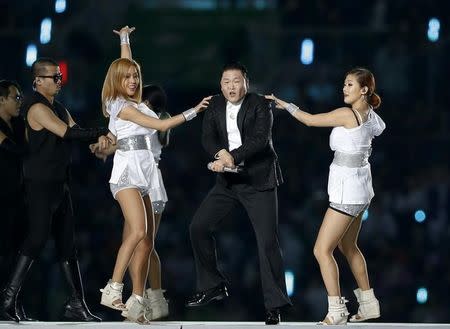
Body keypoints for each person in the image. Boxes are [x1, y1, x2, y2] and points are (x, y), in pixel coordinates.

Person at [98, 26, 211, 323]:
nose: (134, 81)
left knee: (145, 240)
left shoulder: (135, 106)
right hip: (127, 175)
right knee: (137, 233)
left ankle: (138, 300)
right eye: (128, 78)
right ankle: (113, 288)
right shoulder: (121, 106)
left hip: (145, 177)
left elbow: (126, 66)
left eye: (136, 77)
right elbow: (161, 127)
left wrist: (125, 40)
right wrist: (194, 111)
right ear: (117, 82)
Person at [266, 67, 385, 325]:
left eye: (350, 84)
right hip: (361, 190)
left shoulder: (347, 114)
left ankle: (337, 309)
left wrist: (285, 105)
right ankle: (369, 304)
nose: (344, 88)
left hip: (348, 191)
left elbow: (310, 120)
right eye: (344, 84)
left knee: (321, 250)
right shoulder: (371, 116)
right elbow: (378, 129)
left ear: (364, 89)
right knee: (348, 247)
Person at [0, 58, 106, 322]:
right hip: (39, 185)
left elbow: (78, 130)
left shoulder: (58, 107)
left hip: (60, 185)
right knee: (36, 240)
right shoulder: (35, 107)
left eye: (59, 77)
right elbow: (67, 134)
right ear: (37, 81)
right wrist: (104, 132)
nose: (59, 81)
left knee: (68, 245)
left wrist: (98, 141)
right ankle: (7, 298)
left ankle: (76, 304)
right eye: (53, 77)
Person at [186, 62, 292, 325]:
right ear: (220, 85)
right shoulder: (214, 105)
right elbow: (208, 138)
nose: (231, 86)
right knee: (198, 227)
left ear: (246, 81)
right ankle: (212, 286)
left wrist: (231, 156)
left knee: (267, 242)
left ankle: (274, 306)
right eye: (226, 82)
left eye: (236, 81)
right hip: (228, 182)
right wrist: (219, 154)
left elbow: (260, 140)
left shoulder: (260, 104)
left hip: (258, 180)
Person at [0, 80, 35, 321]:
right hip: (1, 201)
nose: (19, 101)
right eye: (15, 97)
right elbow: (13, 149)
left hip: (19, 198)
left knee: (17, 254)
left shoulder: (20, 123)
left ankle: (13, 304)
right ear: (1, 99)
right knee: (4, 253)